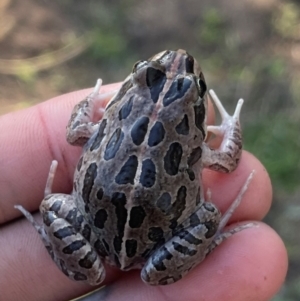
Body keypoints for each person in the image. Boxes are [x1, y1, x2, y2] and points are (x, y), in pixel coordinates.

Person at [0, 83, 287, 301]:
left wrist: (90, 100)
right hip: (157, 251)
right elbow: (226, 160)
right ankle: (212, 241)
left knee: (51, 205)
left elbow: (75, 131)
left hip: (98, 234)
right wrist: (231, 126)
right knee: (210, 215)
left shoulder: (108, 125)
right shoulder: (193, 147)